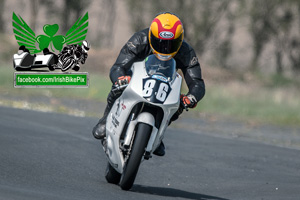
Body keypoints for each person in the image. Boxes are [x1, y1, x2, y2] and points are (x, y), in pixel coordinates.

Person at [92, 12, 205, 156]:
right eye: (160, 42)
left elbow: (197, 82)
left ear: (180, 40)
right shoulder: (139, 39)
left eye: (172, 44)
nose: (165, 48)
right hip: (137, 78)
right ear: (151, 36)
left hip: (166, 85)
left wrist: (191, 97)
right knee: (117, 86)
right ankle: (106, 120)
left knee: (179, 104)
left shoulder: (186, 51)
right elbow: (118, 66)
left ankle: (158, 132)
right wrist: (120, 78)